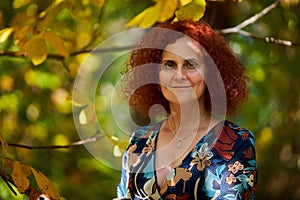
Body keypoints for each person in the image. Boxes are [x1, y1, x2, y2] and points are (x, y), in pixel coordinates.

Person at [116, 20, 257, 200]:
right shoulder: (139, 141)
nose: (179, 75)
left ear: (211, 75)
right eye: (169, 64)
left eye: (190, 64)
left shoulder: (237, 142)